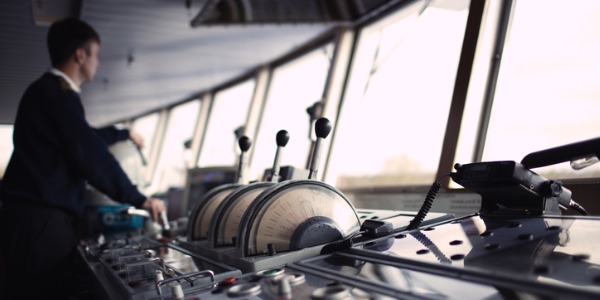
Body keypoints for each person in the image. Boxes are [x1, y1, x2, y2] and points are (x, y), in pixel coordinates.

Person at [0, 17, 165, 299]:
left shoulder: (47, 93)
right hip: (39, 224)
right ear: (80, 55)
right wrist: (139, 198)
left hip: (30, 220)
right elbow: (89, 154)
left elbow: (83, 137)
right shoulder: (57, 94)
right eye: (96, 55)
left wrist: (124, 133)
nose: (98, 63)